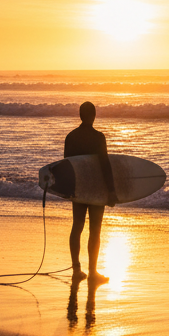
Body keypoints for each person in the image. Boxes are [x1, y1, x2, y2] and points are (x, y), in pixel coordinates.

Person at [64, 100, 118, 283]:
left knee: (77, 226)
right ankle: (93, 273)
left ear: (80, 115)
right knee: (95, 230)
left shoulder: (70, 137)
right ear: (94, 116)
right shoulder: (98, 137)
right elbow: (105, 165)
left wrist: (68, 190)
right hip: (96, 189)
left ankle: (76, 270)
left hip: (79, 189)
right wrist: (111, 191)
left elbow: (67, 167)